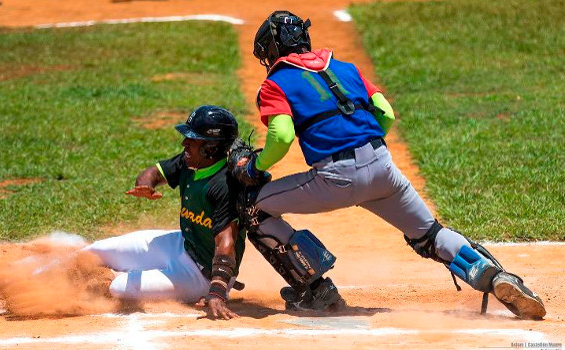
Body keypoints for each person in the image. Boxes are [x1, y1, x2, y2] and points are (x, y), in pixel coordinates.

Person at [230, 10, 545, 319]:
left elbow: (282, 136)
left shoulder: (276, 82)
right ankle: (494, 277)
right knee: (430, 235)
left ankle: (315, 290)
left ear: (272, 50)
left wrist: (254, 167)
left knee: (253, 207)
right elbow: (387, 114)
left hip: (335, 178)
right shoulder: (347, 68)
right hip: (383, 168)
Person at [85, 105, 245, 320]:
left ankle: (98, 280)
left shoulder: (224, 185)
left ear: (211, 147)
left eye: (192, 139)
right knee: (94, 251)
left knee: (119, 288)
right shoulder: (191, 161)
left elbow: (226, 243)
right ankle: (34, 269)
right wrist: (146, 184)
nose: (184, 143)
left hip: (200, 275)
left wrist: (216, 291)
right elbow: (154, 173)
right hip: (182, 244)